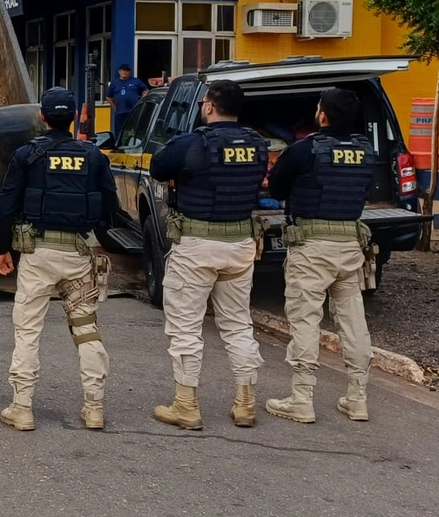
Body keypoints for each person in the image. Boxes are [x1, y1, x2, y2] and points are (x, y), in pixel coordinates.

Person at [0, 87, 118, 431]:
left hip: (36, 254)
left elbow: (7, 203)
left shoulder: (27, 155)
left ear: (42, 118)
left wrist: (2, 248)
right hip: (78, 254)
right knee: (86, 330)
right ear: (75, 117)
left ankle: (22, 408)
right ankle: (94, 407)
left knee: (27, 330)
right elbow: (111, 206)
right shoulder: (93, 156)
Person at [149, 80, 269, 430]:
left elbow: (159, 167)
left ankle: (186, 406)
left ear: (208, 107)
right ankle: (245, 404)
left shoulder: (192, 143)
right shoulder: (258, 144)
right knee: (237, 325)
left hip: (197, 247)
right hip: (241, 246)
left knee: (185, 328)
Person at [263, 87, 377, 424]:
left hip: (312, 248)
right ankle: (357, 398)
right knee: (354, 322)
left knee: (305, 319)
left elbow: (277, 188)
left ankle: (302, 398)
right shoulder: (365, 151)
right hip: (350, 246)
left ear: (322, 115)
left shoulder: (304, 150)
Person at [108, 64, 149, 138]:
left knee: (135, 130)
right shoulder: (114, 83)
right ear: (119, 71)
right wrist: (115, 107)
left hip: (134, 111)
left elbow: (145, 89)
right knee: (119, 132)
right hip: (120, 112)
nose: (125, 72)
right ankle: (119, 147)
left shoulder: (136, 81)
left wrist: (142, 100)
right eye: (123, 70)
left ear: (130, 72)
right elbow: (108, 97)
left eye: (127, 70)